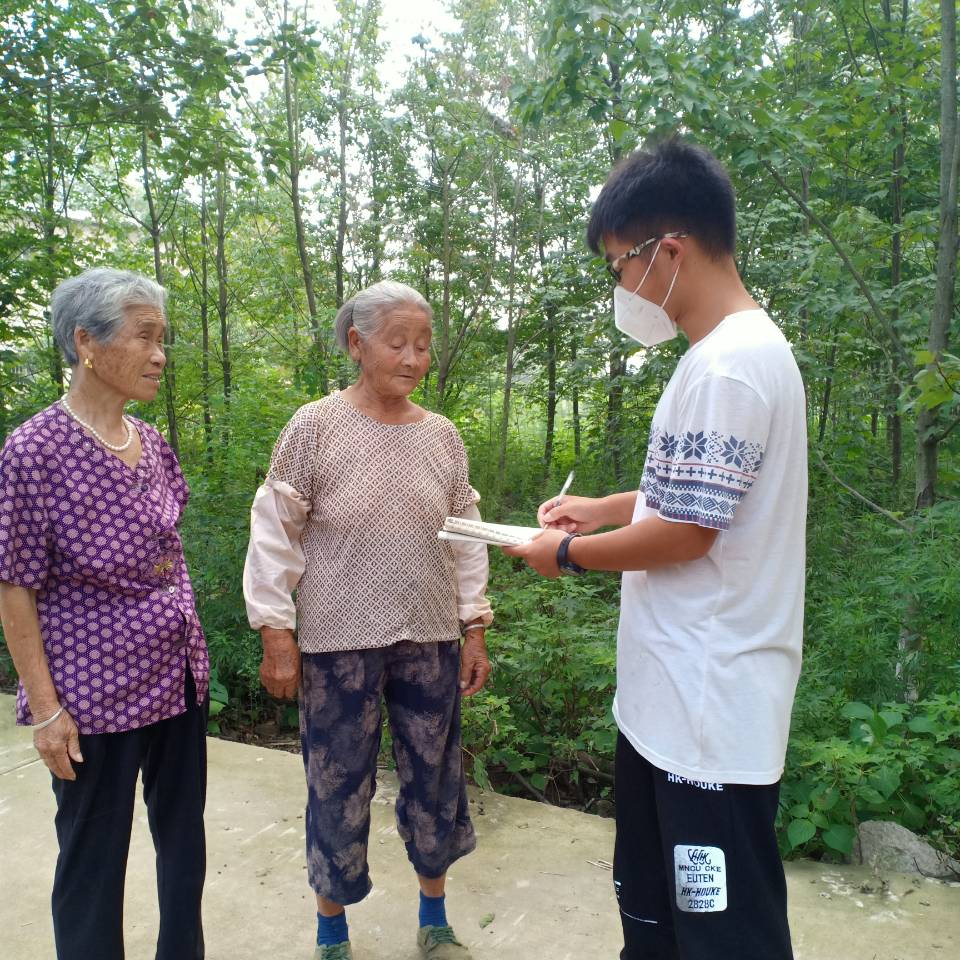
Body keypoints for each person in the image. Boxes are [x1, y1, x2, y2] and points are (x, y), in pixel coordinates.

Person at [505, 139, 807, 960]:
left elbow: (689, 532)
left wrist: (566, 557)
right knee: (656, 926)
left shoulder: (731, 368)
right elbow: (697, 497)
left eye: (618, 266)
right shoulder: (718, 357)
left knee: (722, 940)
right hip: (670, 706)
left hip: (708, 716)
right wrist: (602, 510)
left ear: (667, 250)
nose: (621, 288)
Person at [243, 280, 493, 960]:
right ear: (357, 344)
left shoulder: (442, 436)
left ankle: (434, 919)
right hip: (337, 642)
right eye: (397, 343)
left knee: (436, 780)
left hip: (430, 637)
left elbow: (467, 535)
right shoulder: (314, 427)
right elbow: (274, 535)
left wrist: (473, 626)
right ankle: (332, 932)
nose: (413, 358)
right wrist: (276, 632)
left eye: (423, 345)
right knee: (336, 783)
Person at [0, 268, 209, 960]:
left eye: (162, 338)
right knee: (92, 862)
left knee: (183, 849)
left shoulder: (151, 442)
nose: (160, 355)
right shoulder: (34, 452)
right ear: (86, 343)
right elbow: (14, 585)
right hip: (93, 695)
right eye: (144, 337)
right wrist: (46, 710)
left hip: (177, 677)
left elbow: (167, 552)